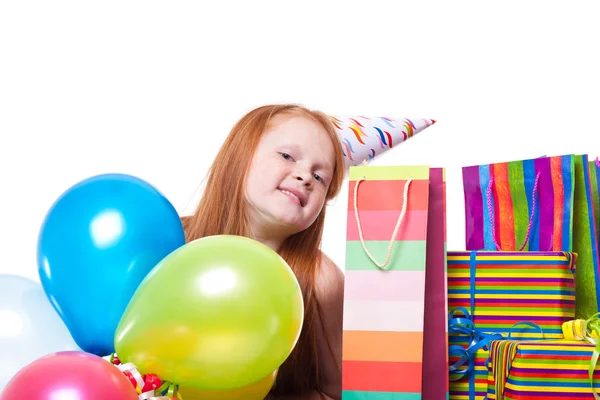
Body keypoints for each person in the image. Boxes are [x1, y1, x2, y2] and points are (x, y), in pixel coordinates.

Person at [181, 104, 346, 399]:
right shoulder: (175, 240)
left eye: (320, 177)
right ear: (241, 154)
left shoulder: (321, 280)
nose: (305, 176)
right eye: (287, 156)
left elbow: (339, 392)